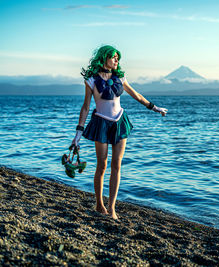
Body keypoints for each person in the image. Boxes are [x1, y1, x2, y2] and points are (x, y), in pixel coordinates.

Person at [71, 45, 167, 220]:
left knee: (117, 165)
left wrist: (155, 108)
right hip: (100, 122)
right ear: (104, 58)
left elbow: (136, 95)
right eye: (114, 57)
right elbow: (85, 107)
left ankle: (112, 207)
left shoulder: (120, 78)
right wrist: (78, 133)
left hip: (119, 122)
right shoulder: (91, 80)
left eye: (118, 58)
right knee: (102, 165)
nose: (117, 60)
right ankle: (99, 204)